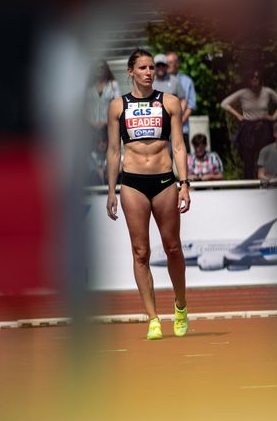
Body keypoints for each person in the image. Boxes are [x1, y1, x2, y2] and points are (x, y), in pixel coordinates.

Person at [106, 48, 190, 340]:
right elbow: (113, 150)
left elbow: (178, 146)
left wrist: (185, 183)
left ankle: (180, 306)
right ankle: (153, 318)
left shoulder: (169, 103)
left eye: (152, 67)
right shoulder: (118, 106)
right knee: (140, 252)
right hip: (132, 183)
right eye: (142, 68)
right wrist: (111, 190)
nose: (149, 72)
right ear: (130, 72)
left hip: (165, 180)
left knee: (173, 248)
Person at [221, 69, 277, 179]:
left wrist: (274, 116)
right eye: (252, 77)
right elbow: (224, 104)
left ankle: (266, 183)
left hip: (264, 127)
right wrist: (238, 116)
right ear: (248, 79)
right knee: (248, 160)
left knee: (264, 158)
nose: (255, 79)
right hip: (248, 128)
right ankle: (249, 185)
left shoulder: (267, 91)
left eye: (257, 77)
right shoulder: (243, 93)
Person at [166, 51, 196, 153]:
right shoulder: (160, 81)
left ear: (177, 63)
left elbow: (191, 105)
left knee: (184, 161)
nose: (168, 65)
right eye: (167, 62)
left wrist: (180, 120)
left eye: (171, 62)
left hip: (183, 129)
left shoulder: (187, 81)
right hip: (165, 131)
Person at [85, 59, 121, 132]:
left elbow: (118, 104)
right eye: (97, 68)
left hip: (108, 125)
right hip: (91, 126)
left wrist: (108, 121)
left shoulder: (113, 85)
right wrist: (89, 121)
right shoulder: (88, 86)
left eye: (102, 68)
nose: (99, 70)